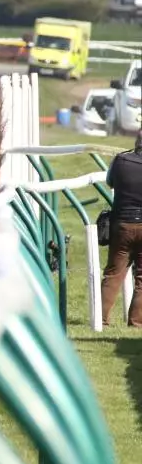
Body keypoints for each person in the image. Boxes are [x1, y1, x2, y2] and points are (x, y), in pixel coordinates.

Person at [100, 131, 142, 327]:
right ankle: (136, 323)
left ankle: (101, 319)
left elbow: (110, 182)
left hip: (122, 224)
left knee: (113, 273)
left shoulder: (120, 160)